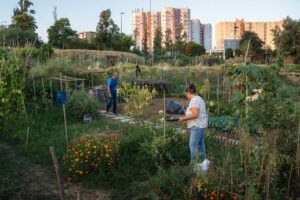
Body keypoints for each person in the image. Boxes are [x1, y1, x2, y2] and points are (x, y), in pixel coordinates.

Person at [179, 84, 208, 162]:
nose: (186, 96)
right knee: (201, 144)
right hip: (201, 125)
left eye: (186, 94)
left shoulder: (194, 100)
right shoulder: (199, 98)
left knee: (193, 145)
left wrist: (183, 118)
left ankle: (194, 165)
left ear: (188, 92)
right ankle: (203, 162)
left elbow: (195, 114)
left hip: (197, 126)